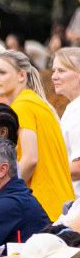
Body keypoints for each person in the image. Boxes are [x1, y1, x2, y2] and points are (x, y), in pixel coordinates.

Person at [0, 49, 73, 220]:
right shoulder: (36, 103)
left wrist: (1, 191)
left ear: (21, 75)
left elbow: (30, 159)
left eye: (2, 72)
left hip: (43, 206)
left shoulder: (22, 106)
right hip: (60, 204)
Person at [49, 47, 80, 196]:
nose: (54, 76)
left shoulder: (78, 110)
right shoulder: (72, 107)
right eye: (54, 70)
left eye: (61, 71)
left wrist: (46, 174)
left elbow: (78, 166)